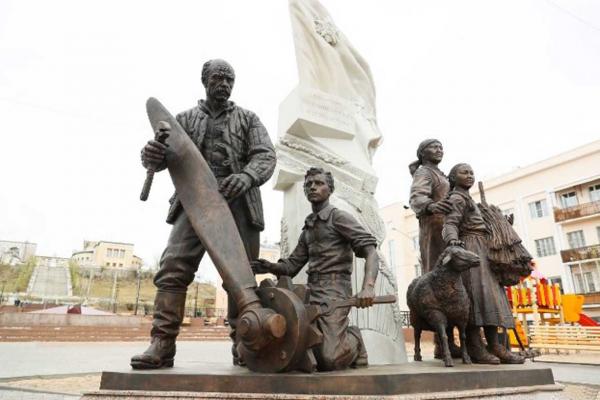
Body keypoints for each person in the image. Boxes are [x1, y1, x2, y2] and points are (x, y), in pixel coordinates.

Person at [131, 59, 276, 369]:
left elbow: (266, 155)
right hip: (193, 202)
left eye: (230, 79)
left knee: (242, 275)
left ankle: (246, 344)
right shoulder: (180, 120)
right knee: (173, 266)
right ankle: (162, 342)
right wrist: (151, 156)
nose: (224, 84)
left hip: (238, 202)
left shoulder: (248, 119)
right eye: (218, 78)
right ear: (205, 80)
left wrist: (247, 177)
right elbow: (163, 158)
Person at [252, 168, 379, 371]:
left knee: (330, 359)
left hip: (335, 291)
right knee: (302, 343)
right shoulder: (309, 227)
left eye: (319, 183)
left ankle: (355, 339)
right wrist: (270, 267)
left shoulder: (339, 217)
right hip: (311, 292)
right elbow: (292, 266)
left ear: (330, 189)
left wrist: (369, 287)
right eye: (308, 184)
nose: (312, 186)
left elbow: (370, 250)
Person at [442, 163, 524, 364]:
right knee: (476, 297)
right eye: (464, 172)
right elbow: (450, 223)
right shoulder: (457, 198)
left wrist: (502, 225)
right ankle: (476, 347)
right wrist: (453, 241)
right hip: (470, 247)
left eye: (471, 172)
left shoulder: (470, 199)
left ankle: (495, 346)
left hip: (483, 248)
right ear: (453, 178)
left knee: (491, 297)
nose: (469, 175)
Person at [409, 139, 452, 275]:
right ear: (422, 153)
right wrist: (431, 206)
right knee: (439, 271)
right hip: (435, 228)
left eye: (441, 147)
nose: (439, 150)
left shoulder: (440, 173)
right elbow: (417, 197)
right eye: (434, 147)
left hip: (449, 227)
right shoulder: (424, 172)